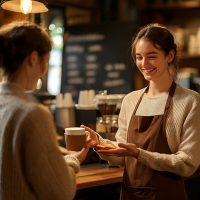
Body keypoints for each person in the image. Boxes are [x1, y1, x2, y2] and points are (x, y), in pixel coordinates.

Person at [82, 23, 200, 200]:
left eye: (151, 57)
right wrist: (99, 143)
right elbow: (122, 156)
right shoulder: (131, 100)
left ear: (170, 55)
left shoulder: (190, 101)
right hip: (130, 195)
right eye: (139, 57)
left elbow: (187, 164)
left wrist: (138, 153)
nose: (144, 64)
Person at [0, 20, 90, 200]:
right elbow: (60, 193)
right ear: (34, 58)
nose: (44, 69)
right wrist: (73, 159)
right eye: (46, 61)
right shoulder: (33, 114)